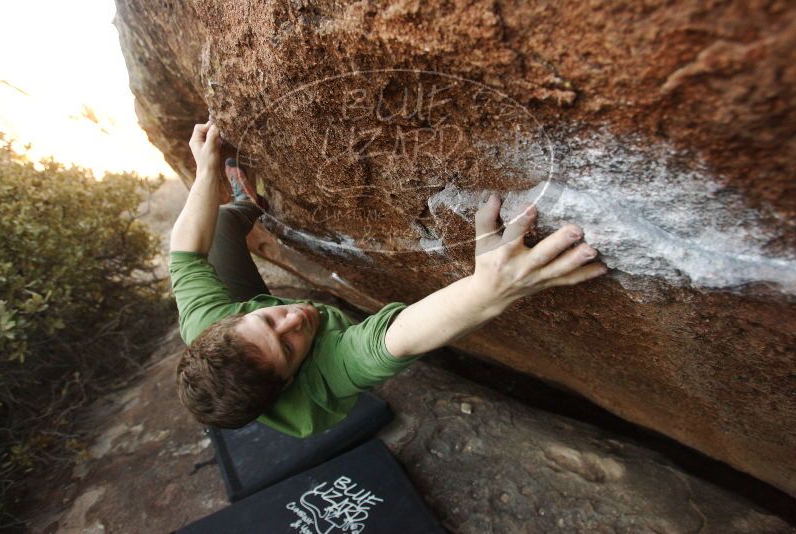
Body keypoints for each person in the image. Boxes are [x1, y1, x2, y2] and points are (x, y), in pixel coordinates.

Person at [171, 122, 607, 437]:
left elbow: (186, 253)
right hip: (309, 383)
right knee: (472, 305)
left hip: (244, 329)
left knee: (224, 223)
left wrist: (206, 167)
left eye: (269, 321)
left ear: (225, 323)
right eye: (287, 346)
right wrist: (489, 288)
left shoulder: (205, 323)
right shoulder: (322, 379)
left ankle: (250, 204)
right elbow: (392, 342)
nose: (295, 319)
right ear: (289, 379)